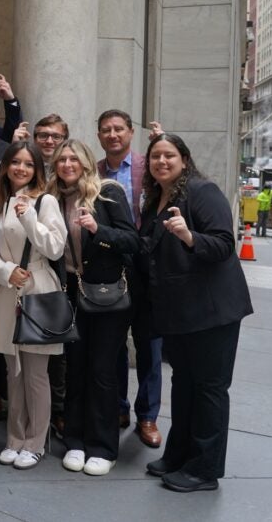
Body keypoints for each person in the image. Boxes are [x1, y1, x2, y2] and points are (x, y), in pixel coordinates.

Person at [139, 135, 253, 493]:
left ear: (184, 160)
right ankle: (179, 455)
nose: (161, 161)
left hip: (212, 311)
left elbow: (223, 243)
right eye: (155, 156)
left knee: (209, 389)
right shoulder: (156, 199)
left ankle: (204, 470)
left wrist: (190, 237)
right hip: (179, 314)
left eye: (169, 155)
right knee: (184, 384)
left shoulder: (203, 192)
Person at [47, 140, 139, 476]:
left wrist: (98, 230)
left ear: (86, 163)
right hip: (70, 292)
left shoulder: (108, 192)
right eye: (62, 159)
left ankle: (102, 446)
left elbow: (132, 242)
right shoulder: (52, 198)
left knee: (101, 370)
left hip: (107, 295)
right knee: (76, 367)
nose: (68, 164)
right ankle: (75, 440)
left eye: (74, 158)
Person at [0, 141, 66, 470]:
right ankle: (14, 438)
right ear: (5, 166)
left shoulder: (45, 201)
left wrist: (29, 216)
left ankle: (35, 442)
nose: (21, 168)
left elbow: (56, 248)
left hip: (38, 290)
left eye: (28, 164)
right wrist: (5, 272)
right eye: (15, 162)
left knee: (35, 374)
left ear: (37, 170)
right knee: (12, 373)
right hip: (6, 291)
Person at [96, 109, 163, 448]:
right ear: (99, 136)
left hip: (146, 267)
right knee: (114, 342)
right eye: (106, 130)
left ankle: (148, 416)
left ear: (131, 132)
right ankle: (119, 407)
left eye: (118, 129)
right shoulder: (93, 172)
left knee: (150, 343)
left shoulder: (147, 167)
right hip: (110, 266)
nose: (113, 135)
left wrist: (161, 145)